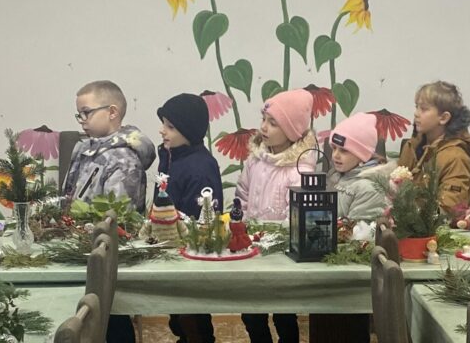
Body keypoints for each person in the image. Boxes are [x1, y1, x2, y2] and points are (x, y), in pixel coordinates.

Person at [237, 89, 317, 343]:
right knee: (251, 313)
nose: (264, 127)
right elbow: (242, 195)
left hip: (282, 257)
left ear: (292, 131)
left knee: (284, 312)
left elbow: (300, 219)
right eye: (264, 119)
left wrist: (277, 239)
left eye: (273, 123)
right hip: (252, 252)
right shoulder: (254, 162)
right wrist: (243, 228)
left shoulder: (300, 171)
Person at [154, 93, 221, 343]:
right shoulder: (173, 157)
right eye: (163, 124)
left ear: (189, 131)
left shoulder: (200, 168)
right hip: (171, 248)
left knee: (192, 313)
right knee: (178, 314)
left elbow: (200, 218)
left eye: (170, 126)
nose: (162, 131)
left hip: (190, 253)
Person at [62, 81, 156, 214]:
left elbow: (118, 217)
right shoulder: (84, 148)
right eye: (79, 114)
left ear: (112, 112)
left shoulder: (124, 160)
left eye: (86, 112)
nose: (82, 120)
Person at [397, 81, 470, 218]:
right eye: (416, 107)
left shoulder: (456, 158)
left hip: (436, 229)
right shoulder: (412, 146)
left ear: (444, 118)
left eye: (424, 109)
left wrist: (410, 212)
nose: (416, 114)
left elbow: (449, 209)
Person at [327, 113, 390, 222]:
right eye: (334, 148)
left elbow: (356, 231)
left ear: (362, 155)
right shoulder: (335, 176)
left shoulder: (370, 190)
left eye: (344, 150)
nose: (335, 155)